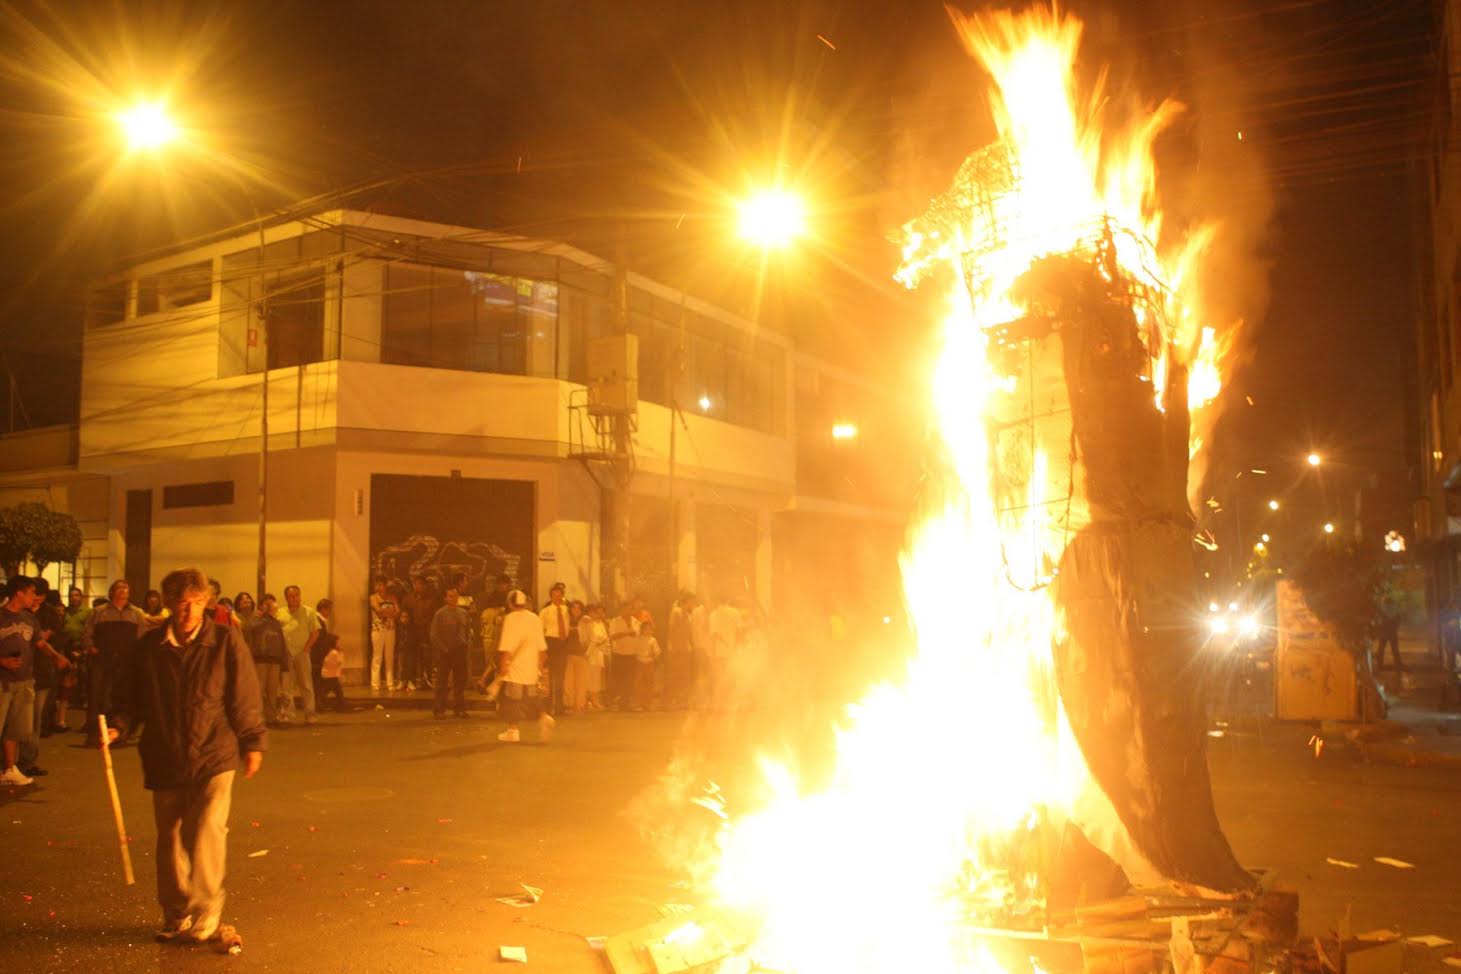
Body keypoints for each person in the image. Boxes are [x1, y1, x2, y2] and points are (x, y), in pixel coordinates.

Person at [108, 567, 266, 945]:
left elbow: (244, 696)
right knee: (171, 837)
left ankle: (209, 905)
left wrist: (253, 741)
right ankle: (176, 910)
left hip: (215, 750)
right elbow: (132, 698)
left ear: (206, 603)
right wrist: (118, 726)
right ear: (167, 606)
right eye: (181, 604)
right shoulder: (149, 649)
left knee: (208, 828)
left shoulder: (225, 641)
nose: (189, 612)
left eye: (196, 603)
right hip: (165, 753)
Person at [82, 580, 146, 747]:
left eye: (126, 587)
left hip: (126, 662)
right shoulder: (99, 612)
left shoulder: (136, 613)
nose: (123, 590)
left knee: (122, 697)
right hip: (102, 660)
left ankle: (118, 734)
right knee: (98, 697)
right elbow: (88, 632)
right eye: (119, 587)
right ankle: (94, 734)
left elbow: (143, 635)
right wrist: (91, 648)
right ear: (112, 592)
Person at [0, 576, 47, 785]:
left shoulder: (30, 619)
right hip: (2, 681)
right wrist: (3, 661)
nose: (34, 597)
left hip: (24, 681)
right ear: (19, 592)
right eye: (31, 592)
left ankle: (9, 768)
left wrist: (58, 657)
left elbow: (39, 643)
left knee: (15, 729)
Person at [496, 589, 553, 743]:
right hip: (531, 665)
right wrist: (541, 666)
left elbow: (507, 645)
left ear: (510, 603)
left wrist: (503, 666)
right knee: (532, 696)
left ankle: (513, 730)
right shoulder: (535, 618)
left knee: (511, 699)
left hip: (515, 666)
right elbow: (542, 646)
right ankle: (544, 716)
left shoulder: (510, 619)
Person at [278, 585, 319, 724]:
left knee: (306, 685)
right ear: (286, 598)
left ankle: (310, 713)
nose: (294, 598)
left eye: (297, 595)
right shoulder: (280, 613)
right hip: (286, 654)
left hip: (302, 652)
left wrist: (307, 648)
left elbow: (315, 633)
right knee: (286, 685)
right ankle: (287, 714)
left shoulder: (309, 612)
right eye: (291, 596)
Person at [429, 587, 472, 719]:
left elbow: (467, 630)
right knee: (442, 682)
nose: (452, 599)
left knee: (460, 681)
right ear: (445, 598)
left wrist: (467, 646)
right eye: (450, 596)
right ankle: (439, 709)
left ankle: (459, 708)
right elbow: (434, 634)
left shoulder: (463, 613)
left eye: (455, 596)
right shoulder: (440, 614)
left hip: (460, 650)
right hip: (445, 651)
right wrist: (443, 648)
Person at [246, 595, 289, 726]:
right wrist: (264, 616)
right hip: (260, 659)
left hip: (275, 660)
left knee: (272, 690)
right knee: (259, 689)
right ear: (263, 606)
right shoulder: (257, 620)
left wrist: (283, 660)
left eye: (273, 603)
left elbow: (281, 642)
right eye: (269, 604)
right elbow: (252, 630)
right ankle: (256, 718)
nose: (273, 606)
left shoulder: (276, 623)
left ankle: (271, 717)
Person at [56, 586, 92, 732]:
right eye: (71, 595)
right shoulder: (65, 612)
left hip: (83, 650)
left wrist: (84, 650)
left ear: (81, 597)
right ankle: (61, 720)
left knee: (87, 686)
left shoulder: (88, 612)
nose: (74, 598)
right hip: (67, 650)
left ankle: (88, 721)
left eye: (77, 595)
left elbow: (89, 631)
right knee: (66, 686)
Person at [401, 576, 438, 692]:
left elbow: (435, 617)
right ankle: (411, 681)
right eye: (415, 584)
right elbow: (404, 614)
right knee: (410, 657)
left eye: (420, 584)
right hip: (411, 632)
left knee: (426, 658)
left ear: (425, 586)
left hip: (426, 632)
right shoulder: (408, 599)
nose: (418, 586)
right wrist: (404, 622)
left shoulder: (431, 600)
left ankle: (426, 681)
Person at [539, 582, 571, 715]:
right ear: (551, 596)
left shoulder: (566, 610)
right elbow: (540, 631)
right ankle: (548, 706)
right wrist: (543, 650)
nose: (557, 597)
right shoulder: (545, 612)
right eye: (554, 595)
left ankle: (559, 706)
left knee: (561, 676)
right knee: (549, 676)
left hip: (562, 644)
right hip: (550, 643)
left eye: (559, 595)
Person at [476, 574, 512, 692]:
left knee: (492, 661)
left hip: (490, 637)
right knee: (495, 662)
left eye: (503, 583)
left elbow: (481, 624)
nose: (501, 586)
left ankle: (485, 682)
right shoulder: (502, 612)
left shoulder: (486, 610)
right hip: (498, 638)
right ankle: (490, 684)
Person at [313, 599, 346, 713]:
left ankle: (319, 704)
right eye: (329, 609)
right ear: (323, 609)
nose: (330, 612)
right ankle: (318, 705)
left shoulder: (320, 620)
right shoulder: (318, 621)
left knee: (322, 685)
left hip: (319, 656)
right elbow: (320, 640)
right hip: (318, 656)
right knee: (319, 684)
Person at [607, 602, 641, 710]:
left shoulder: (636, 622)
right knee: (619, 679)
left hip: (632, 654)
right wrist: (626, 633)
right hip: (619, 654)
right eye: (625, 609)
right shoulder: (615, 621)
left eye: (629, 609)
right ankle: (617, 701)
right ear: (621, 610)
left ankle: (626, 702)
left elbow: (639, 635)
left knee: (630, 679)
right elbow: (612, 636)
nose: (627, 612)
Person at [665, 591, 696, 710]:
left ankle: (682, 700)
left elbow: (689, 634)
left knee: (685, 676)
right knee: (674, 675)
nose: (693, 604)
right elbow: (671, 629)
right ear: (686, 601)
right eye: (692, 602)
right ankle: (669, 701)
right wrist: (671, 646)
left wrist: (690, 646)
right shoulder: (676, 612)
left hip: (686, 649)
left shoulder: (688, 615)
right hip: (676, 648)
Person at [368, 576, 398, 692]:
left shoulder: (392, 597)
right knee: (377, 656)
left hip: (391, 629)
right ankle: (375, 683)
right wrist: (390, 612)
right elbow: (379, 612)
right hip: (377, 629)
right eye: (376, 585)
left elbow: (397, 612)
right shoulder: (373, 598)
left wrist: (388, 612)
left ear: (385, 585)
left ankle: (390, 682)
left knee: (389, 656)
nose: (378, 587)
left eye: (380, 585)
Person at [562, 600, 588, 714]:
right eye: (573, 608)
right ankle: (569, 704)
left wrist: (587, 653)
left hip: (581, 655)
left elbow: (592, 639)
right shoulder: (566, 620)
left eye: (578, 608)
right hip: (568, 654)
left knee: (581, 682)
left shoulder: (586, 621)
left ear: (582, 610)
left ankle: (579, 705)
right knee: (568, 682)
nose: (576, 610)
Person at [581, 604, 609, 710]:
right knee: (587, 678)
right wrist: (588, 652)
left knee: (596, 679)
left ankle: (595, 700)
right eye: (591, 612)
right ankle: (585, 701)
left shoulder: (600, 624)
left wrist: (599, 643)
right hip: (587, 654)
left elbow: (605, 638)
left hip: (598, 653)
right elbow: (587, 639)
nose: (594, 614)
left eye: (595, 612)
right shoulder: (586, 623)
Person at [689, 594, 713, 709]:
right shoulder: (697, 612)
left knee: (707, 674)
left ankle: (706, 699)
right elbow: (695, 629)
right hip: (700, 647)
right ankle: (698, 700)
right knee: (699, 674)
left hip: (709, 648)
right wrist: (696, 645)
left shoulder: (712, 613)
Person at [633, 619, 661, 711]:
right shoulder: (638, 639)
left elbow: (657, 652)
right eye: (646, 629)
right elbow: (635, 649)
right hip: (639, 662)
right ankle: (638, 704)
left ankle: (648, 704)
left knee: (649, 683)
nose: (648, 631)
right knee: (639, 683)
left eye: (650, 629)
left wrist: (653, 655)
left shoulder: (653, 640)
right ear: (642, 630)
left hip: (649, 662)